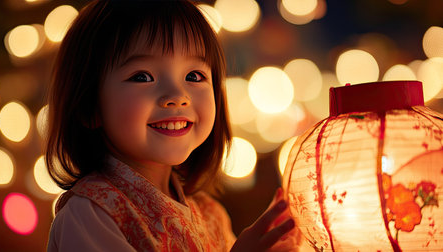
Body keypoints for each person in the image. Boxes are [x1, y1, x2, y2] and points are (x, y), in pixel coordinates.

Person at [46, 0, 298, 251]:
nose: (177, 95)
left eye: (194, 76)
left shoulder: (211, 214)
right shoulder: (91, 213)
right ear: (89, 106)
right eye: (142, 76)